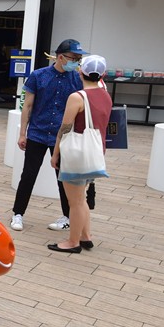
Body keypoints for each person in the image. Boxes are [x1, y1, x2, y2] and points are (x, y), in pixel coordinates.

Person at [10, 39, 95, 232]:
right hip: (37, 133)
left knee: (63, 178)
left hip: (63, 136)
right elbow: (27, 106)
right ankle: (18, 213)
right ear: (61, 57)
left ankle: (67, 216)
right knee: (28, 175)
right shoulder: (38, 76)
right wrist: (22, 133)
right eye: (74, 58)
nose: (77, 62)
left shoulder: (78, 79)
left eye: (79, 59)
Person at [48, 55, 112, 253]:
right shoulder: (106, 96)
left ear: (80, 71)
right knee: (80, 198)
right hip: (94, 152)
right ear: (103, 74)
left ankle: (73, 242)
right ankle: (85, 236)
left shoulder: (77, 97)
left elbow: (65, 128)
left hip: (76, 154)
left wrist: (55, 153)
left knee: (74, 201)